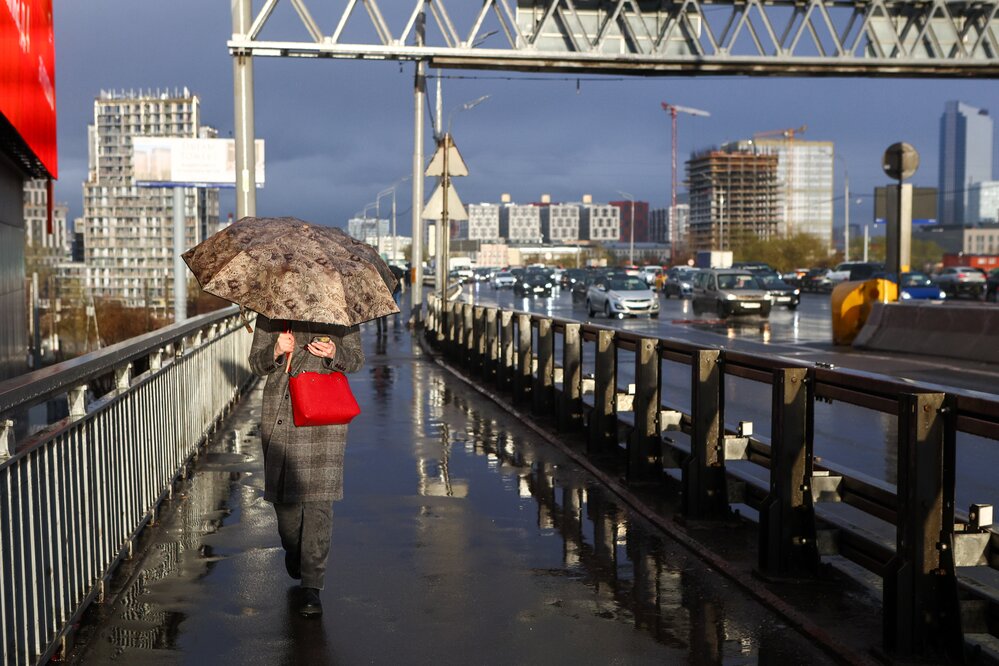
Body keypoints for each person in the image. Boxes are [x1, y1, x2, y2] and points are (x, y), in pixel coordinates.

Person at [249, 315, 364, 617]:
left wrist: (333, 355)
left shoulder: (342, 314)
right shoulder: (272, 314)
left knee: (318, 501)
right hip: (281, 412)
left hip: (324, 414)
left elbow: (356, 360)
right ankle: (294, 549)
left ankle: (312, 585)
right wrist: (275, 350)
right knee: (285, 503)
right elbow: (255, 364)